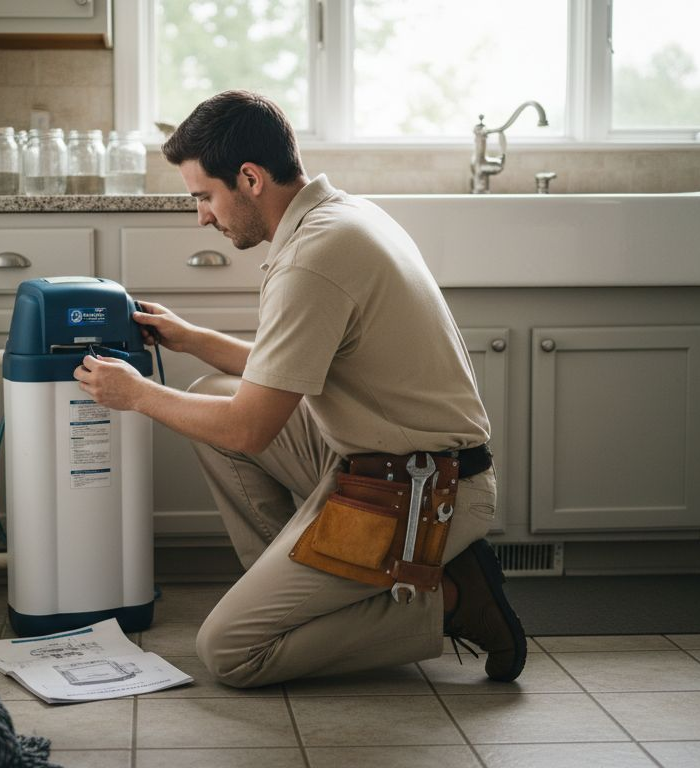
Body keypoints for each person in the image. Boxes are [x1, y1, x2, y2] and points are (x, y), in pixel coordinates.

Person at [73, 90, 525, 688]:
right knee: (213, 386)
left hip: (425, 488)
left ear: (251, 178)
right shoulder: (341, 216)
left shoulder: (314, 257)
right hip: (381, 461)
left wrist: (136, 395)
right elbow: (287, 372)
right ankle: (310, 591)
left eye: (204, 196)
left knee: (231, 653)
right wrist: (192, 337)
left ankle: (447, 600)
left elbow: (248, 427)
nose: (201, 217)